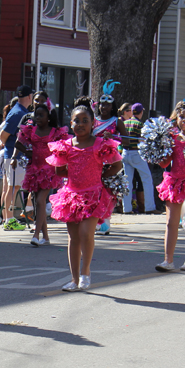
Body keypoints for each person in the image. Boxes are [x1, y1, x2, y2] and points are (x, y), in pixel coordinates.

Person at [46, 97, 122, 291]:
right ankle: (73, 278)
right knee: (73, 238)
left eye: (84, 121)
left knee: (86, 233)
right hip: (71, 195)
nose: (80, 124)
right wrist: (72, 174)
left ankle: (85, 272)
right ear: (71, 124)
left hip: (94, 195)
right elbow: (59, 170)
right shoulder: (65, 145)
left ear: (92, 123)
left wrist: (101, 174)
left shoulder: (99, 144)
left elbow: (117, 164)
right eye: (76, 121)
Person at [155, 100, 185, 272]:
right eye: (181, 117)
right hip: (174, 182)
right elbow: (164, 163)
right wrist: (158, 150)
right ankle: (168, 260)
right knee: (171, 222)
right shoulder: (172, 139)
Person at [15, 103, 67, 246]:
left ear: (49, 117)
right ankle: (46, 237)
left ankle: (36, 235)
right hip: (35, 169)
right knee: (40, 204)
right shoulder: (31, 130)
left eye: (41, 115)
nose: (37, 118)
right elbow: (17, 143)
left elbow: (63, 147)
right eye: (36, 115)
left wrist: (58, 159)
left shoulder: (55, 132)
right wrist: (27, 152)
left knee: (40, 201)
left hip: (49, 171)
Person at [0, 85, 33, 230]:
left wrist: (1, 146)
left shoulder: (18, 111)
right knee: (13, 188)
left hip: (10, 156)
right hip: (13, 157)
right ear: (29, 97)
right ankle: (9, 220)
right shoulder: (18, 113)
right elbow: (3, 135)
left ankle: (7, 219)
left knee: (8, 188)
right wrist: (2, 145)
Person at [93, 80, 127, 235]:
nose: (103, 107)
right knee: (95, 189)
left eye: (107, 105)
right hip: (94, 159)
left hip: (111, 160)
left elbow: (127, 140)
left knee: (107, 191)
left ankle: (105, 220)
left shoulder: (117, 121)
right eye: (101, 104)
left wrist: (113, 136)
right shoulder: (93, 121)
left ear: (112, 106)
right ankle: (95, 219)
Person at [120, 103, 158, 214]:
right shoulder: (140, 124)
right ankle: (150, 207)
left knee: (127, 182)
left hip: (125, 154)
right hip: (137, 153)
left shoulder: (124, 123)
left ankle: (126, 209)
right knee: (146, 179)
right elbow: (142, 140)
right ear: (141, 112)